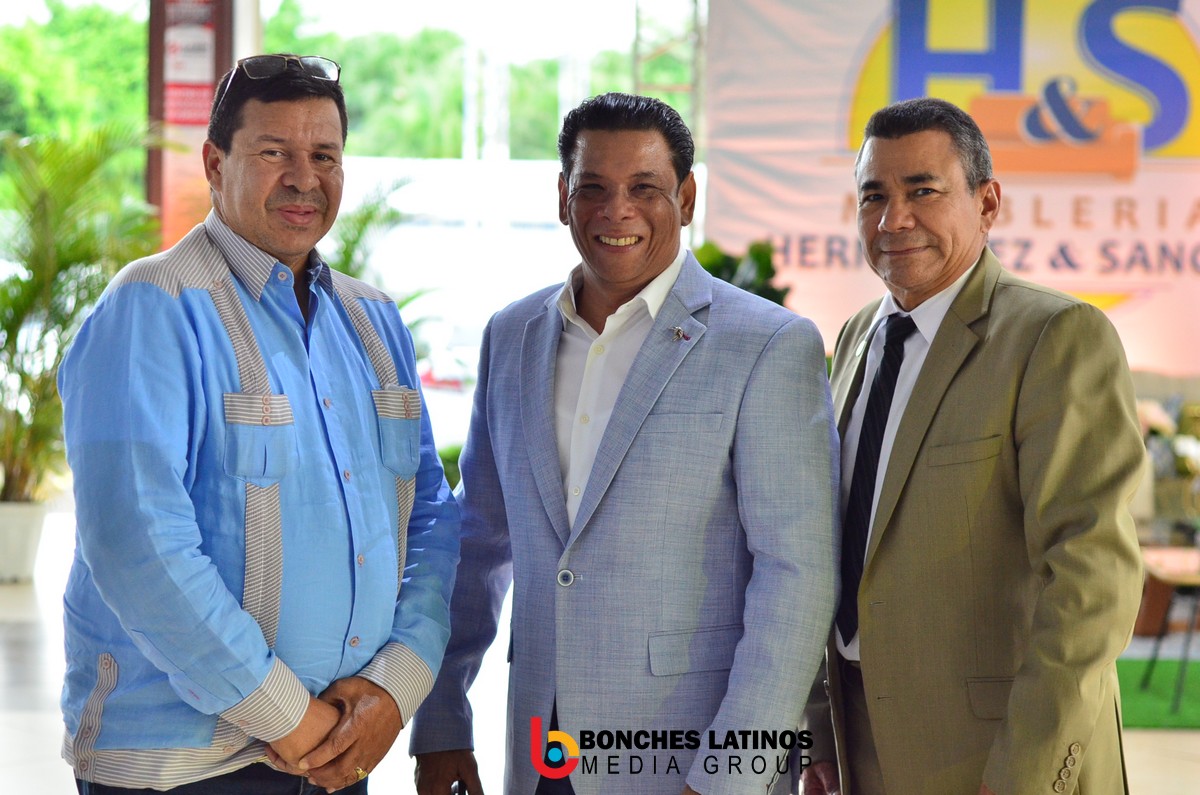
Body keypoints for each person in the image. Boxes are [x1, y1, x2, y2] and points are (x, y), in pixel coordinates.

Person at [408, 92, 839, 795]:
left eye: (644, 188)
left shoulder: (767, 344)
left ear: (686, 197)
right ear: (562, 197)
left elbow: (797, 576)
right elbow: (479, 541)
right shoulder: (511, 334)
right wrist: (443, 718)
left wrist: (731, 773)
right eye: (593, 188)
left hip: (691, 759)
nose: (617, 211)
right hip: (542, 754)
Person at [57, 54, 460, 794]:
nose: (304, 178)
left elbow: (429, 514)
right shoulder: (153, 308)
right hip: (187, 768)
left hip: (341, 749)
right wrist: (291, 719)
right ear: (216, 164)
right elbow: (135, 541)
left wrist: (394, 687)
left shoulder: (374, 321)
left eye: (324, 156)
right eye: (275, 153)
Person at [801, 97, 1144, 795]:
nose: (893, 219)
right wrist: (820, 733)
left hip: (996, 751)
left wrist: (1024, 771)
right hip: (860, 740)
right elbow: (830, 547)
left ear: (987, 203)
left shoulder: (1055, 336)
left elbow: (1092, 579)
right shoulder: (858, 335)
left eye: (922, 191)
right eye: (873, 195)